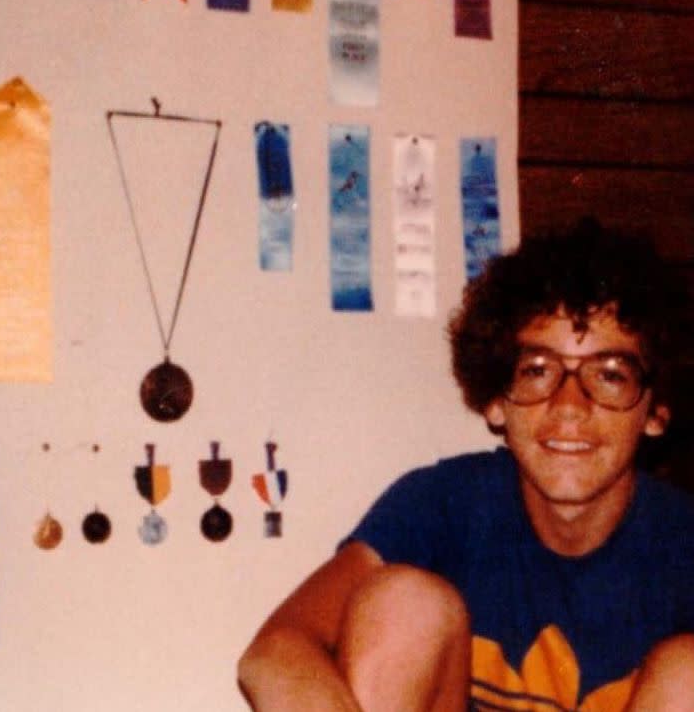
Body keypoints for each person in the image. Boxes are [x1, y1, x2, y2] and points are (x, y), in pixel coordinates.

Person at [238, 219, 694, 710]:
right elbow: (275, 653)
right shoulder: (446, 502)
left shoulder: (682, 540)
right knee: (403, 603)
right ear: (497, 400)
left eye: (609, 375)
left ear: (656, 410)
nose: (569, 406)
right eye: (537, 370)